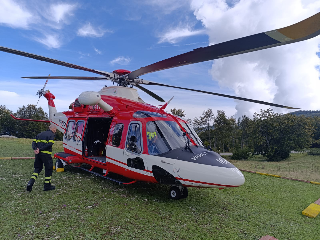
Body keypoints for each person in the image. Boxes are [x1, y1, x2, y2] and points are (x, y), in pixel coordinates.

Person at [27, 124, 57, 192]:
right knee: (48, 169)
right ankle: (47, 186)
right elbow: (49, 144)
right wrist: (40, 149)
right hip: (46, 155)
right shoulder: (51, 134)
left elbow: (34, 142)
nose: (55, 131)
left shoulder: (40, 134)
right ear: (53, 129)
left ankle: (30, 183)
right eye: (55, 130)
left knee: (37, 169)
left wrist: (36, 149)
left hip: (38, 155)